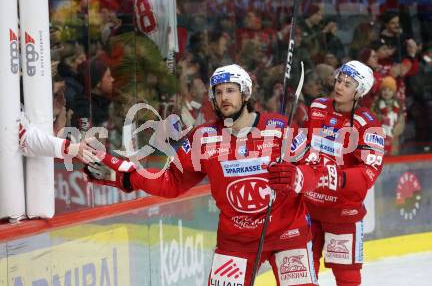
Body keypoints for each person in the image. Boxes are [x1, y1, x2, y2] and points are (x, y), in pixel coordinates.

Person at [83, 64, 319, 286]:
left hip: (288, 233)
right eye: (218, 92)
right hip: (237, 240)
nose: (224, 97)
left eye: (231, 90)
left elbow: (315, 170)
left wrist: (298, 176)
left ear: (245, 94)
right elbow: (170, 183)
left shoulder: (278, 128)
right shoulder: (203, 137)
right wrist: (122, 175)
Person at [268, 61, 385, 286]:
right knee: (302, 273)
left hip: (343, 212)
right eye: (339, 80)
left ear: (359, 91)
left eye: (348, 84)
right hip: (309, 206)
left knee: (346, 276)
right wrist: (286, 144)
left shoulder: (367, 124)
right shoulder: (318, 107)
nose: (339, 86)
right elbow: (305, 146)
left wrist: (331, 177)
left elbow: (368, 174)